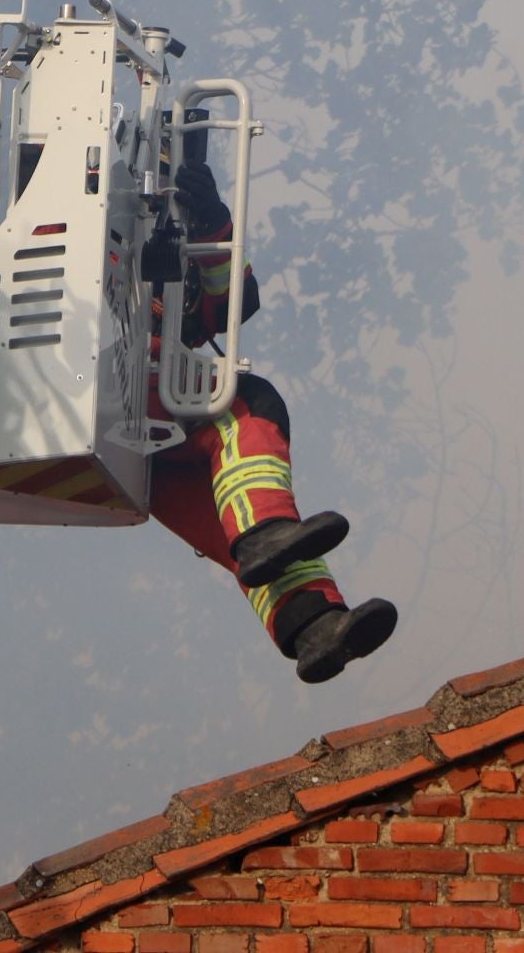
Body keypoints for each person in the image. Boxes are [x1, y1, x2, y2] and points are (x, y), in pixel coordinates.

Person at [148, 159, 398, 684]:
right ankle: (267, 534)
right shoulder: (87, 228)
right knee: (243, 404)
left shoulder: (174, 243)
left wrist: (213, 223)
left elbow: (232, 306)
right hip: (123, 385)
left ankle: (316, 631)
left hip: (149, 448)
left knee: (237, 522)